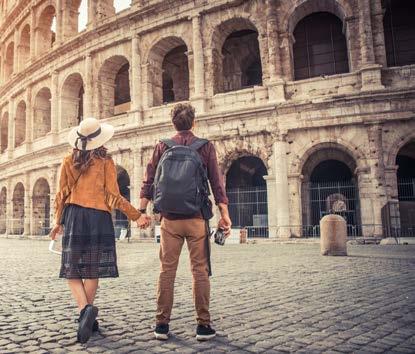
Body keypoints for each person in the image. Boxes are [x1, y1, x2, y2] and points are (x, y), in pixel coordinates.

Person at [137, 103, 232, 341]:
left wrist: (141, 210)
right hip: (197, 218)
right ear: (194, 123)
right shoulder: (206, 147)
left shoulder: (162, 146)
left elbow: (148, 180)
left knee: (166, 271)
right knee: (200, 271)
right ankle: (203, 326)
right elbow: (216, 184)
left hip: (169, 219)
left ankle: (161, 325)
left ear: (173, 124)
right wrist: (224, 214)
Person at [50, 118, 140, 344]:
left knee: (71, 270)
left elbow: (61, 194)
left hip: (74, 216)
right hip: (99, 218)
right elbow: (114, 197)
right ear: (100, 140)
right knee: (92, 270)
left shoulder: (68, 160)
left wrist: (57, 222)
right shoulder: (106, 162)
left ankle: (85, 311)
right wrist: (136, 216)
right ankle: (86, 315)